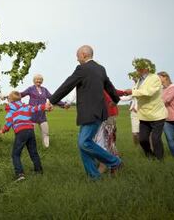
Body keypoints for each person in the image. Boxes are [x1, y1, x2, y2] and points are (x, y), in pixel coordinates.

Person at [47, 45, 122, 180]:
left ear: (84, 54)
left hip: (90, 113)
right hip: (96, 112)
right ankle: (93, 176)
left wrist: (51, 101)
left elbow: (67, 85)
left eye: (77, 56)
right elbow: (109, 86)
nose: (77, 59)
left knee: (84, 143)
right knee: (82, 146)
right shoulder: (100, 68)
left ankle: (115, 162)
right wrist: (116, 99)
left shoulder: (82, 69)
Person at [0, 91, 48, 182]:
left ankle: (20, 174)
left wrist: (2, 130)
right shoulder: (26, 106)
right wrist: (45, 106)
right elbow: (35, 108)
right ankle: (39, 171)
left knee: (15, 154)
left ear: (10, 100)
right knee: (33, 152)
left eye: (8, 99)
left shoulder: (11, 110)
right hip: (30, 130)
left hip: (21, 132)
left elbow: (9, 122)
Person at [125, 58, 167, 160]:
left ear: (145, 68)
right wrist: (116, 97)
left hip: (157, 115)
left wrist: (132, 92)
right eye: (136, 68)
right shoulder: (139, 80)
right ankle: (150, 156)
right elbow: (133, 94)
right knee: (142, 139)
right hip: (144, 116)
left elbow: (149, 92)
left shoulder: (155, 78)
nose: (136, 70)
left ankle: (159, 159)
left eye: (138, 68)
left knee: (155, 139)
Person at [19, 74, 69, 148]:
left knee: (46, 132)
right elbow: (21, 94)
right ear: (34, 80)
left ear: (42, 81)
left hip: (42, 115)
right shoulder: (30, 89)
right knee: (29, 133)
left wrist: (63, 104)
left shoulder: (44, 90)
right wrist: (9, 96)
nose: (38, 81)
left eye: (40, 79)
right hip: (32, 115)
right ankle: (25, 145)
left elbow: (53, 98)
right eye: (37, 79)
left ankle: (46, 147)